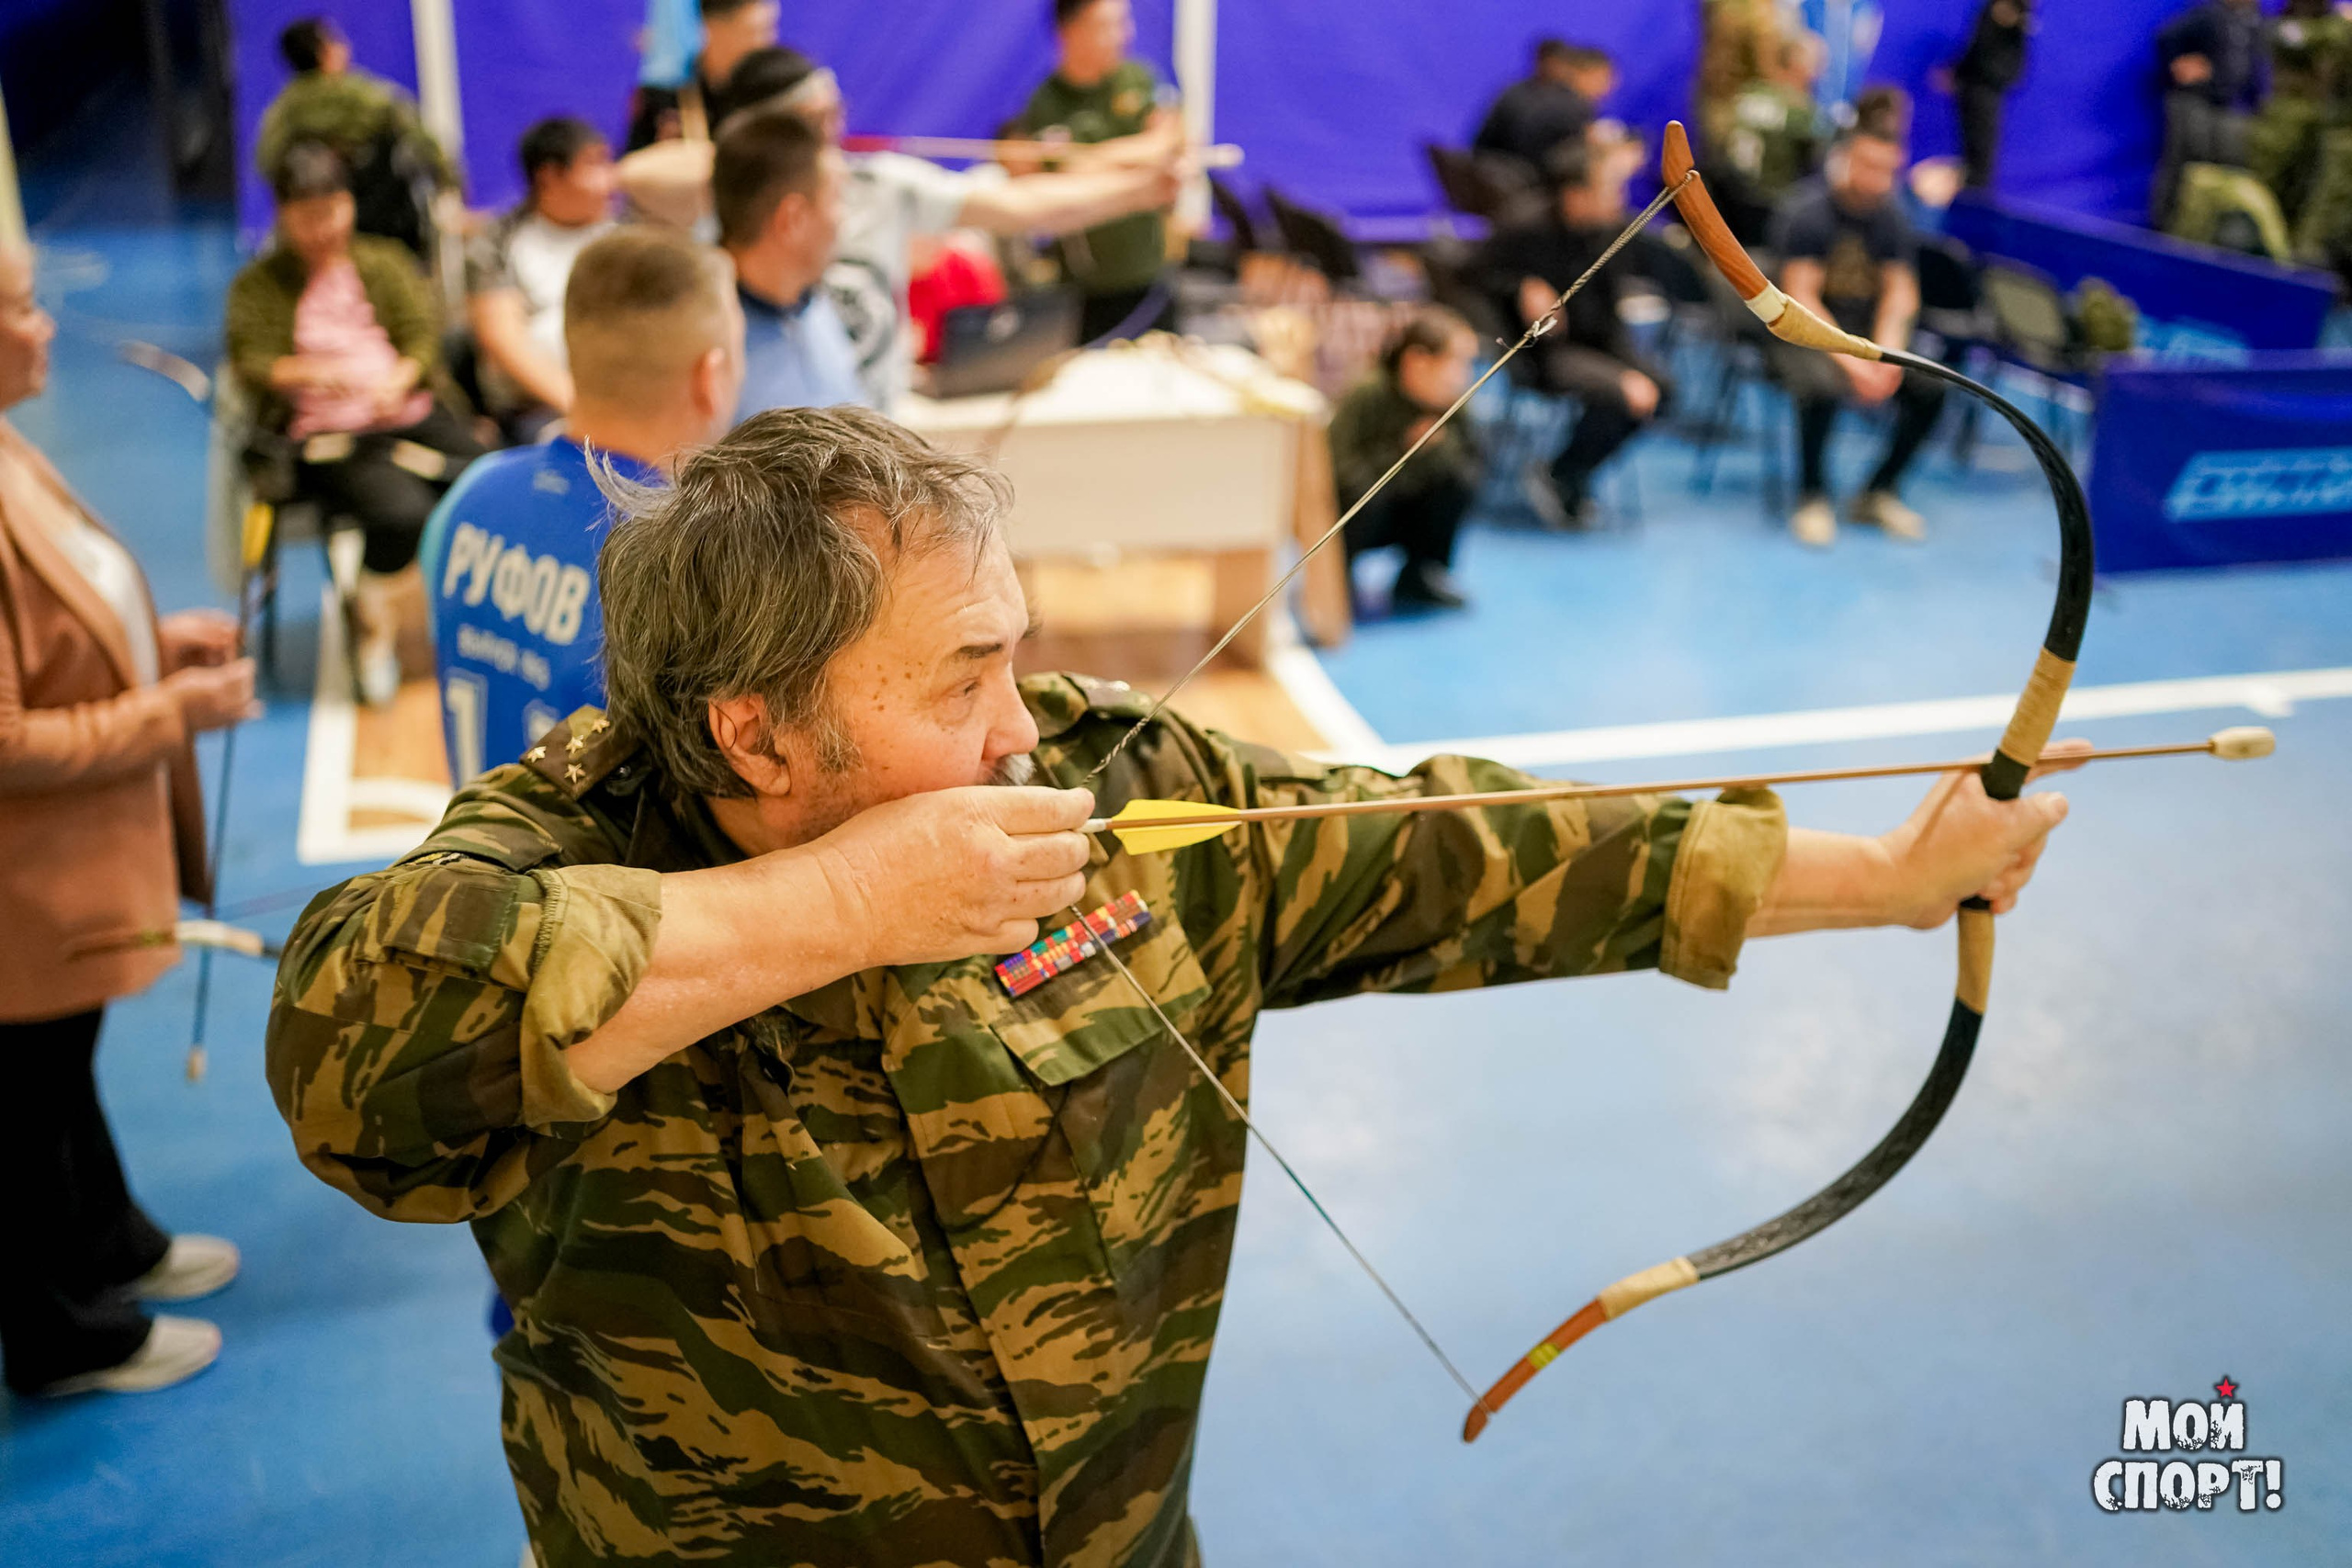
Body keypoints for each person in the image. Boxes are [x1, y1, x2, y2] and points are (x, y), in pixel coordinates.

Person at [266, 403, 2079, 1568]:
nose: (1019, 727)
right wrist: (840, 906)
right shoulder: (568, 843)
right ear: (754, 728)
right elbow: (357, 1053)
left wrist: (1892, 885)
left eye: (1017, 659)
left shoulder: (1108, 795)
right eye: (958, 679)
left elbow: (1458, 852)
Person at [0, 242, 255, 1399]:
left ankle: (110, 1244)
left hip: (59, 891)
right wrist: (171, 709)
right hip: (22, 887)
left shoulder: (7, 442)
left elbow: (69, 626)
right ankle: (62, 1335)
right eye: (20, 309)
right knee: (22, 1106)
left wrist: (163, 645)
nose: (45, 325)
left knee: (61, 1071)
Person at [617, 46, 1183, 410]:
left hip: (869, 419)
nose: (837, 128)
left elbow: (1025, 205)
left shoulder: (878, 183)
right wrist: (758, 155)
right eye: (817, 119)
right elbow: (637, 177)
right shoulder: (732, 189)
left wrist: (1139, 190)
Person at [423, 228, 745, 783]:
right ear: (709, 378)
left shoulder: (468, 497)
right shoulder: (690, 563)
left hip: (484, 846)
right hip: (600, 865)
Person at [225, 141, 485, 704]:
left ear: (350, 205)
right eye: (307, 217)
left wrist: (404, 374)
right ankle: (372, 619)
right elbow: (250, 362)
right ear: (282, 216)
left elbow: (422, 334)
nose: (323, 228)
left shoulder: (384, 262)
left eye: (333, 211)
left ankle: (470, 617)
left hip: (406, 410)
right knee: (401, 513)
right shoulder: (258, 286)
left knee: (484, 482)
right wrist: (308, 372)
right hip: (328, 436)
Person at [1473, 142, 1675, 530]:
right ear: (1575, 195)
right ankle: (1561, 477)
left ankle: (1567, 468)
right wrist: (1522, 287)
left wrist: (1627, 366)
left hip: (1599, 339)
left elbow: (1612, 311)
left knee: (1662, 390)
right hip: (1545, 351)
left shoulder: (1609, 231)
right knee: (1625, 397)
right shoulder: (1523, 227)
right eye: (1608, 189)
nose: (1618, 198)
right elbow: (1474, 277)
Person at [1766, 127, 1949, 548]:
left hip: (1865, 336)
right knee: (1822, 387)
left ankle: (1877, 492)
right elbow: (1802, 297)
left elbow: (1900, 293)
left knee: (1930, 388)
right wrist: (1853, 360)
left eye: (1887, 168)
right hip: (1804, 334)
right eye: (1868, 164)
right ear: (1845, 159)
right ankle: (1811, 495)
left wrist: (1885, 357)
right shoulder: (1808, 214)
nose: (1876, 177)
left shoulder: (1893, 217)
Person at [1009, 0, 1184, 343]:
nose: (1123, 35)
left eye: (1123, 23)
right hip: (1082, 291)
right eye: (1108, 25)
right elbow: (1042, 181)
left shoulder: (1137, 79)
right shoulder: (1044, 102)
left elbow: (1166, 144)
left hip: (1148, 279)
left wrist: (1092, 159)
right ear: (1070, 32)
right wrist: (1128, 165)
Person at [465, 118, 619, 444]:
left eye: (610, 162)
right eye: (594, 163)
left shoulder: (624, 236)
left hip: (625, 397)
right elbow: (504, 340)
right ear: (549, 176)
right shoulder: (498, 243)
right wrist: (583, 408)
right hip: (542, 409)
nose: (611, 180)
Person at [253, 17, 458, 259]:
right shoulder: (370, 97)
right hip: (388, 230)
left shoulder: (282, 111)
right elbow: (426, 143)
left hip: (315, 239)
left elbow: (265, 162)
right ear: (325, 51)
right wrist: (451, 186)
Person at [714, 105, 868, 416]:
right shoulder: (709, 342)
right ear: (792, 219)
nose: (844, 218)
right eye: (836, 198)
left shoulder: (814, 306)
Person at [1328, 306, 1479, 612]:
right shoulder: (1368, 395)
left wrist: (1439, 448)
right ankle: (1337, 579)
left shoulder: (1452, 406)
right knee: (1363, 494)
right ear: (1417, 361)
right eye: (1456, 363)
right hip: (1358, 518)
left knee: (1459, 481)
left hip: (1410, 514)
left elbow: (1474, 467)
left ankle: (1420, 575)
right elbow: (1337, 472)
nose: (1463, 375)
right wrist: (1403, 452)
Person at [1702, 30, 1827, 243]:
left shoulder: (1747, 93)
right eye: (1817, 62)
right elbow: (1817, 162)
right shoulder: (1800, 111)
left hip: (1728, 204)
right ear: (1799, 65)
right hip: (1772, 209)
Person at [2154, 0, 2267, 229]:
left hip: (2228, 105)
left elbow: (2256, 65)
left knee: (2224, 166)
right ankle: (2166, 224)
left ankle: (2205, 226)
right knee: (2186, 160)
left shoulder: (2255, 23)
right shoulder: (2207, 15)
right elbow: (2166, 37)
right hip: (2193, 99)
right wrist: (2181, 64)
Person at [2246, 0, 2351, 240]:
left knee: (2304, 193)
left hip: (2322, 120)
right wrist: (2340, 25)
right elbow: (2294, 38)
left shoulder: (2334, 22)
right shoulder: (2288, 23)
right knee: (2267, 185)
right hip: (2286, 116)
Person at [624, 0, 780, 151]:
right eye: (756, 31)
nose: (767, 41)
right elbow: (629, 167)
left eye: (771, 28)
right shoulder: (667, 93)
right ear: (714, 27)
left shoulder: (767, 90)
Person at [1473, 39, 1615, 181]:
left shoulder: (1519, 91)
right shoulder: (1573, 106)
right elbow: (1571, 167)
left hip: (1490, 177)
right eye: (1604, 79)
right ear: (1584, 73)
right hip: (1520, 186)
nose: (1608, 88)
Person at [1948, 0, 2031, 191]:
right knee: (1977, 158)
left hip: (1985, 88)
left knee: (1980, 160)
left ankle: (1973, 199)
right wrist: (1959, 73)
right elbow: (1977, 49)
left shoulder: (2018, 19)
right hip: (1979, 90)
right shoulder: (1995, 14)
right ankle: (1971, 199)